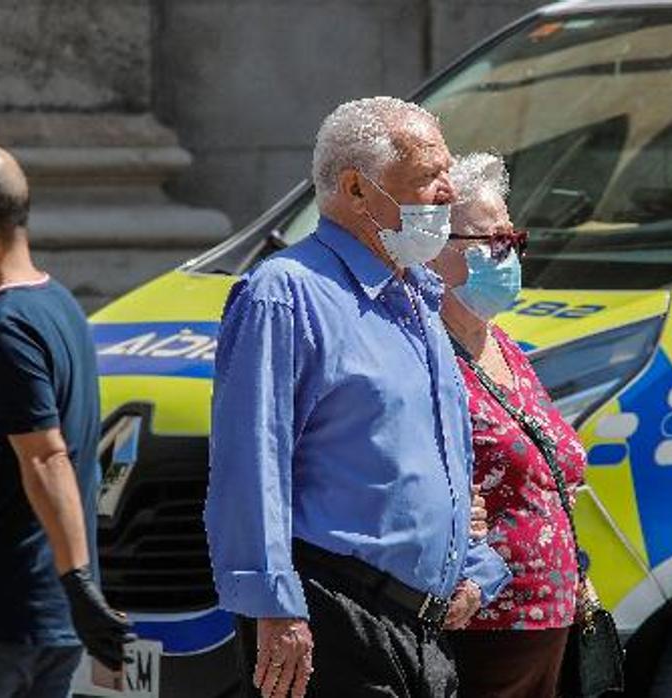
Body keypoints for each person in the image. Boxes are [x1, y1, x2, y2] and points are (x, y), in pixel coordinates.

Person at [205, 97, 512, 698]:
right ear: (356, 189)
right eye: (429, 176)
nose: (448, 192)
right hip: (334, 622)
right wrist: (276, 609)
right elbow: (252, 464)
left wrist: (474, 570)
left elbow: (443, 457)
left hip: (422, 629)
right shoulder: (286, 294)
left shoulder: (417, 297)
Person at [0, 145, 134, 697]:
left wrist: (80, 583)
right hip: (52, 624)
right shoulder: (62, 307)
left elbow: (46, 456)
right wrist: (78, 592)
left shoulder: (3, 329)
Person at [431, 153, 588, 698]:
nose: (507, 255)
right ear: (433, 248)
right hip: (484, 622)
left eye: (512, 239)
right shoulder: (426, 356)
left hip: (551, 614)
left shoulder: (504, 346)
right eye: (488, 241)